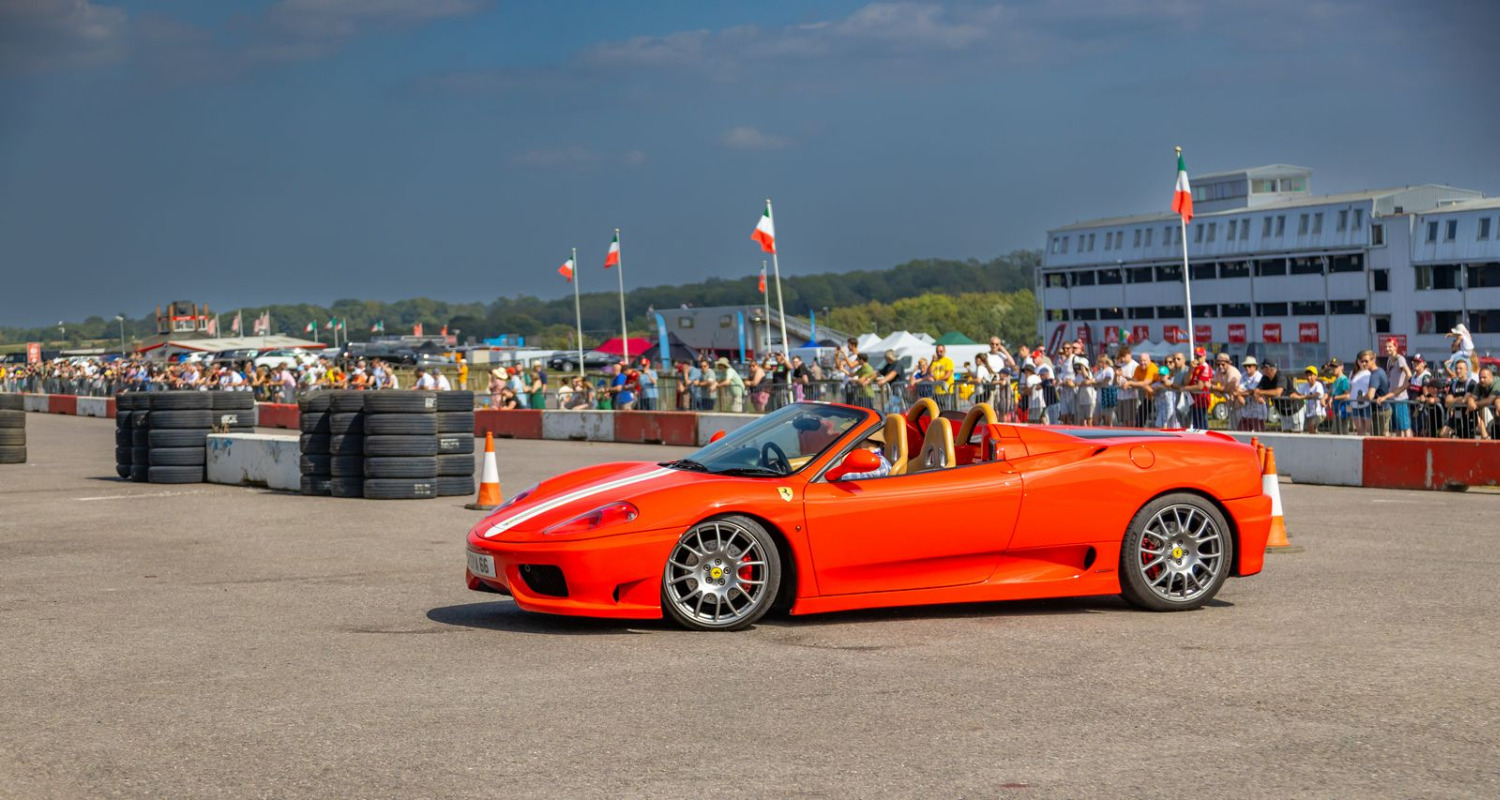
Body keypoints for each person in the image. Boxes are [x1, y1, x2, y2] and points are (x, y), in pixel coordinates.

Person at [1380, 340, 1413, 438]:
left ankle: (1409, 443)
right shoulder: (1389, 359)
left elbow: (1409, 374)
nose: (1387, 349)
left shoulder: (1400, 359)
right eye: (1386, 347)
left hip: (1400, 398)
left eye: (1390, 346)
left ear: (1395, 347)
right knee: (1398, 427)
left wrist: (1403, 387)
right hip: (1393, 397)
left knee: (1405, 426)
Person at [1440, 359, 1478, 438]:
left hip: (1469, 415)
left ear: (1466, 370)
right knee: (1443, 433)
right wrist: (1458, 399)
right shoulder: (1454, 384)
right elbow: (1447, 402)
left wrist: (1454, 401)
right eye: (1456, 368)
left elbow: (1465, 400)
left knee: (1467, 439)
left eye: (1461, 368)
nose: (1458, 371)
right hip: (1456, 414)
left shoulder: (1471, 383)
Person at [1254, 360, 1291, 432]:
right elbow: (1256, 390)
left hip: (1293, 407)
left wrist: (1261, 392)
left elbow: (1277, 393)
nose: (1261, 370)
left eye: (1263, 367)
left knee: (1296, 432)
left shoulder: (1280, 376)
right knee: (1286, 432)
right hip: (1283, 410)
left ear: (1268, 368)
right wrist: (1258, 397)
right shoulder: (1265, 378)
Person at [1347, 352, 1375, 436]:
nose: (1363, 363)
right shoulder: (1353, 373)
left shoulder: (1370, 373)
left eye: (1366, 361)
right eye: (1361, 361)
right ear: (1358, 361)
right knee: (1359, 429)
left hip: (1366, 404)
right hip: (1354, 404)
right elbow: (1350, 388)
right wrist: (1349, 403)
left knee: (1370, 428)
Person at [1292, 366, 1326, 433]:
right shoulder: (1305, 385)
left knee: (1311, 425)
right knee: (1309, 429)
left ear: (1316, 376)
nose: (1309, 377)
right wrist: (1293, 395)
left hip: (1319, 413)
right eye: (1307, 375)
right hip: (1309, 414)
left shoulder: (1318, 385)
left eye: (1311, 375)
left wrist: (1302, 397)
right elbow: (1296, 393)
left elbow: (1317, 394)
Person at [1235, 356, 1265, 432]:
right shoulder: (1244, 375)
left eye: (1249, 366)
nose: (1247, 368)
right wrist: (1239, 395)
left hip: (1258, 411)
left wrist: (1239, 394)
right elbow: (1238, 389)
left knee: (1259, 434)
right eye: (1245, 366)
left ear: (1255, 367)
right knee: (1241, 432)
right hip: (1246, 410)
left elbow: (1252, 391)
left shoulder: (1259, 376)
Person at [1115, 347, 1139, 428]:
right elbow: (1116, 382)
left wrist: (1124, 375)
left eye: (1124, 356)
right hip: (1121, 396)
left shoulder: (1135, 365)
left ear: (1129, 355)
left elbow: (1135, 380)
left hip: (1130, 396)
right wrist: (1116, 376)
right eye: (1121, 356)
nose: (1122, 359)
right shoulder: (1121, 365)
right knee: (1123, 420)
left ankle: (1131, 433)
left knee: (1130, 419)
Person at [1474, 366, 1498, 440]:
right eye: (1480, 377)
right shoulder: (1480, 385)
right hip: (1496, 421)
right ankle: (1485, 436)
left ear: (1491, 377)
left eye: (1484, 377)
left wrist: (1474, 404)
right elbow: (1471, 397)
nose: (1482, 380)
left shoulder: (1497, 383)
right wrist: (1471, 402)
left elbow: (1489, 400)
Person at [1093, 353, 1116, 426]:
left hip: (1107, 398)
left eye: (1100, 361)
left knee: (1107, 421)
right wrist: (1098, 384)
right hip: (1099, 399)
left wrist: (1097, 383)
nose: (1098, 363)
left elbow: (1106, 382)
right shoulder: (1098, 372)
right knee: (1095, 421)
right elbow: (1094, 386)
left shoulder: (1109, 370)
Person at [930, 344, 955, 410]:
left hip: (946, 391)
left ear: (944, 351)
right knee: (937, 411)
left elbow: (947, 375)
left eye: (941, 351)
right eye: (937, 351)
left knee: (946, 411)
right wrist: (932, 361)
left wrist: (937, 380)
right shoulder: (935, 362)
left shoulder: (948, 361)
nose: (939, 353)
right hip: (936, 392)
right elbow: (929, 372)